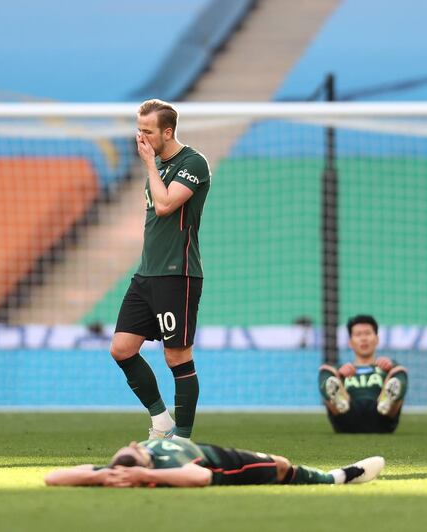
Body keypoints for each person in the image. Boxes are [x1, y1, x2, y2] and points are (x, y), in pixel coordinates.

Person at [110, 99, 212, 441]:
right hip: (147, 273)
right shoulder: (157, 167)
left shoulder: (192, 162)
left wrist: (150, 166)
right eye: (138, 130)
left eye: (147, 131)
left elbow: (167, 205)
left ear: (167, 132)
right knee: (122, 348)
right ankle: (161, 421)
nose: (140, 138)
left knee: (176, 354)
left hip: (177, 274)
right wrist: (152, 167)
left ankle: (182, 439)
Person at [44, 438, 384, 487]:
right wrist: (99, 476)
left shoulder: (152, 455)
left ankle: (333, 477)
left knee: (281, 465)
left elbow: (199, 477)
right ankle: (337, 478)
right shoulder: (146, 461)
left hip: (215, 452)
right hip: (221, 461)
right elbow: (52, 478)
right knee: (280, 465)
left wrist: (140, 471)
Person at [318, 315, 408, 433]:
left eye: (367, 333)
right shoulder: (341, 369)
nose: (363, 338)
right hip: (346, 417)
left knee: (399, 371)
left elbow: (399, 372)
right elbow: (328, 372)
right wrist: (340, 376)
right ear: (350, 342)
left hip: (381, 418)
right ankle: (339, 398)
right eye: (358, 334)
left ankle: (386, 400)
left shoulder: (387, 367)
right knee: (326, 371)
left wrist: (391, 367)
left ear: (376, 339)